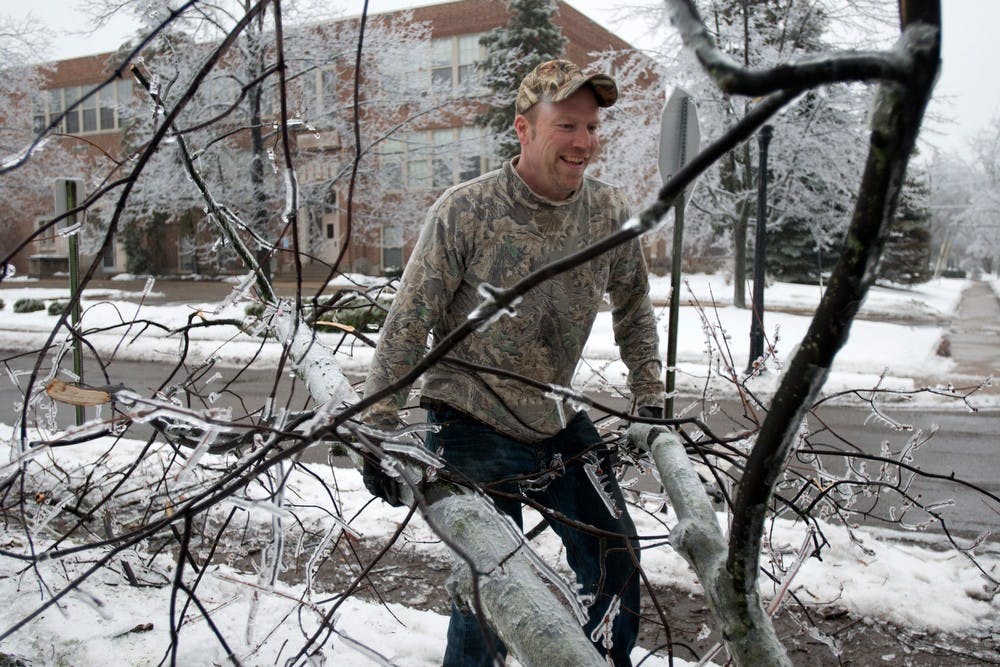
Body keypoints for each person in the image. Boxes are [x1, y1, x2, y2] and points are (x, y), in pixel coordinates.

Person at [361, 59, 664, 667]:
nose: (583, 142)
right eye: (566, 126)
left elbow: (634, 304)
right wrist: (378, 427)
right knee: (493, 584)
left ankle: (601, 661)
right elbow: (409, 318)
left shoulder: (606, 212)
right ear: (523, 130)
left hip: (555, 416)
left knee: (615, 554)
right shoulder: (466, 211)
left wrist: (649, 395)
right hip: (470, 419)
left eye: (591, 128)